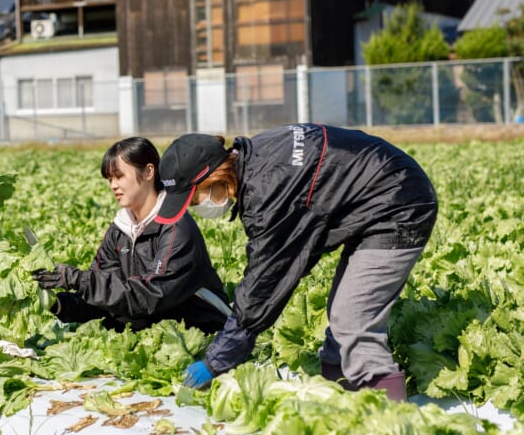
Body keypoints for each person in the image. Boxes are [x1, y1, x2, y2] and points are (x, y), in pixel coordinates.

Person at [155, 126, 438, 401]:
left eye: (194, 200)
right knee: (341, 314)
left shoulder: (268, 191)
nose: (197, 207)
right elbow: (301, 238)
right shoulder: (256, 158)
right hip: (374, 197)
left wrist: (216, 361)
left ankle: (391, 425)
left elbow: (264, 283)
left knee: (353, 320)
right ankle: (339, 398)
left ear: (214, 177)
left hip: (400, 204)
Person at [32, 137, 229, 334]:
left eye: (119, 176)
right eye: (110, 179)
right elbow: (103, 296)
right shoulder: (119, 230)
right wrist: (58, 304)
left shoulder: (177, 227)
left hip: (200, 333)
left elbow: (151, 296)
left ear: (149, 172)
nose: (113, 186)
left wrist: (78, 279)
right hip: (148, 331)